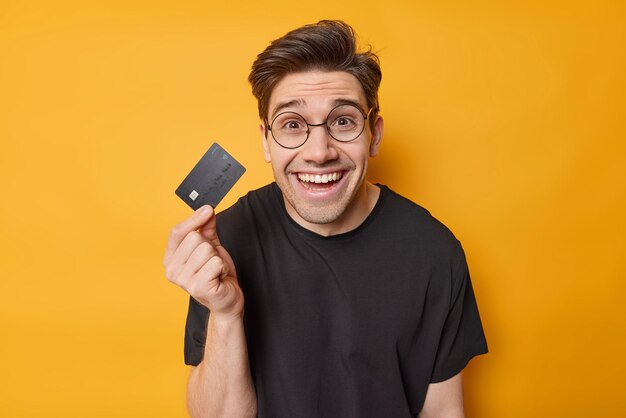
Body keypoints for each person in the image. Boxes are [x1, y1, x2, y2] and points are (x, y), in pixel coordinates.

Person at [163, 20, 488, 418]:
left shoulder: (435, 252)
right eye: (292, 125)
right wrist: (226, 313)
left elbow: (442, 412)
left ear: (375, 135)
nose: (319, 152)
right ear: (266, 141)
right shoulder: (224, 242)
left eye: (343, 121)